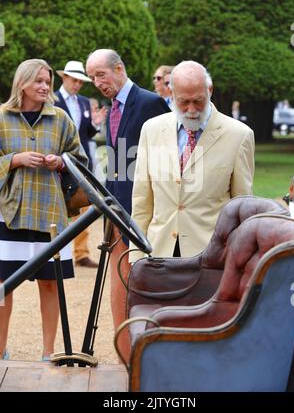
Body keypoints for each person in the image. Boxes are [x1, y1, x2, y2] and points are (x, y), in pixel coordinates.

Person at [0, 59, 88, 360]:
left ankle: (48, 353)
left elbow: (81, 160)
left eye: (47, 81)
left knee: (51, 286)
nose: (44, 86)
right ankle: (0, 351)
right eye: (38, 80)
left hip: (51, 215)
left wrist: (61, 161)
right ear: (21, 82)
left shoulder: (61, 118)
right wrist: (14, 159)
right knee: (2, 288)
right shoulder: (1, 116)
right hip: (9, 215)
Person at [86, 48, 170, 360]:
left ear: (119, 68)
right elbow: (117, 165)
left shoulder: (150, 102)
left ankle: (146, 353)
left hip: (146, 215)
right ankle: (124, 354)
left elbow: (167, 157)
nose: (96, 82)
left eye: (101, 75)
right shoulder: (111, 110)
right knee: (119, 282)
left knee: (143, 282)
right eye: (93, 77)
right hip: (116, 211)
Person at [130, 60, 255, 262]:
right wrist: (136, 257)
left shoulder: (239, 135)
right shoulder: (151, 130)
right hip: (159, 253)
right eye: (183, 101)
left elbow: (241, 206)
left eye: (198, 101)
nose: (191, 109)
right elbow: (141, 201)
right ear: (171, 93)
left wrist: (238, 260)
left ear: (210, 90)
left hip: (213, 257)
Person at [55, 61, 107, 268]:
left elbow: (86, 133)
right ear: (64, 78)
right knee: (58, 208)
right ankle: (56, 253)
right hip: (57, 162)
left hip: (81, 163)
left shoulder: (85, 102)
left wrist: (94, 124)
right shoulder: (52, 100)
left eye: (80, 81)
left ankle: (81, 253)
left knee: (83, 206)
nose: (77, 84)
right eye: (74, 80)